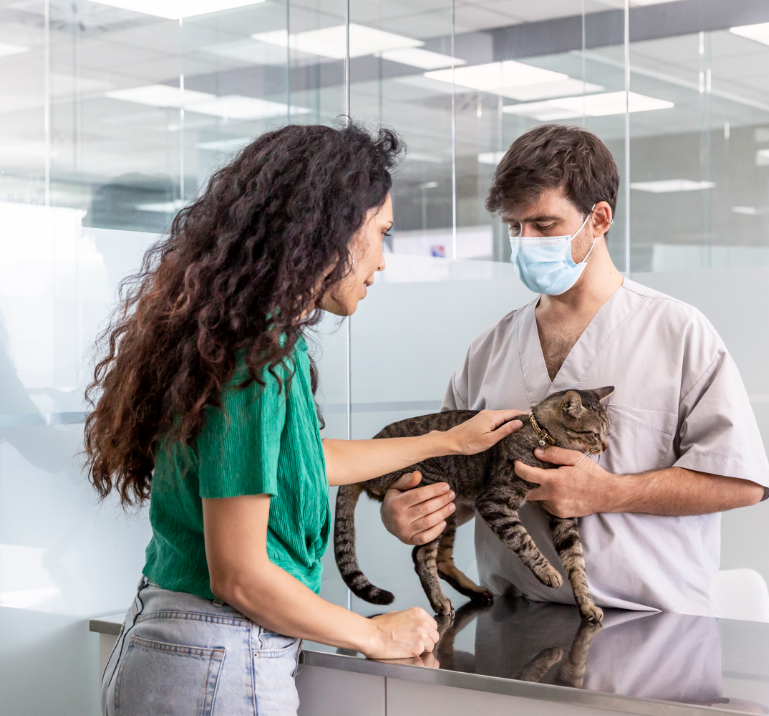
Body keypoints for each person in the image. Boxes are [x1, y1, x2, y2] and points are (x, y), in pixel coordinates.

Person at [84, 123, 523, 715]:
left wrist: (444, 440)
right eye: (382, 234)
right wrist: (374, 634)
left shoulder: (251, 340)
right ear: (332, 230)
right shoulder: (252, 359)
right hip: (217, 658)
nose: (384, 263)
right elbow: (238, 575)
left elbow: (306, 461)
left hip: (180, 648)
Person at [382, 124, 769, 617]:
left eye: (544, 225)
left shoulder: (677, 333)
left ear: (599, 219)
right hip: (512, 622)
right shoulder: (488, 352)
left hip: (650, 623)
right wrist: (414, 513)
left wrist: (609, 492)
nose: (525, 241)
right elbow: (457, 485)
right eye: (514, 227)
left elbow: (742, 481)